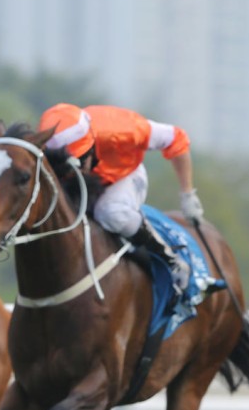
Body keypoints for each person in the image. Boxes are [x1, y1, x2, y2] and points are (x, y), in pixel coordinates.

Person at [38, 103, 204, 295]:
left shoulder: (122, 129)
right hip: (87, 183)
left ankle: (169, 259)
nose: (76, 171)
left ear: (90, 145)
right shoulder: (48, 142)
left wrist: (187, 194)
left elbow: (177, 138)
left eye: (78, 162)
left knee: (110, 212)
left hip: (124, 175)